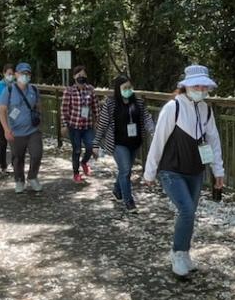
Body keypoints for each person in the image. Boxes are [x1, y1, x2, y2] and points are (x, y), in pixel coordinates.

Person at [143, 65, 225, 277]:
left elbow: (213, 141)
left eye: (203, 85)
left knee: (190, 213)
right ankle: (178, 253)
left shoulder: (206, 109)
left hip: (196, 170)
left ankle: (184, 252)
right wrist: (149, 172)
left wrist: (218, 171)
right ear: (186, 85)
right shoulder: (173, 107)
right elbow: (159, 139)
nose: (200, 89)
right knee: (187, 210)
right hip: (172, 170)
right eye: (196, 85)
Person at [95, 75, 155, 211]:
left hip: (134, 142)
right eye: (125, 88)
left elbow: (146, 118)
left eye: (130, 87)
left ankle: (117, 189)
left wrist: (153, 131)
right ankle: (129, 202)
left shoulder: (138, 102)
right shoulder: (110, 104)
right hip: (118, 143)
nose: (128, 90)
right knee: (126, 169)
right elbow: (103, 124)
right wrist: (95, 143)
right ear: (118, 89)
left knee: (124, 171)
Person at [0, 62, 43, 193]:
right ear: (16, 74)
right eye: (23, 73)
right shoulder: (9, 90)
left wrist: (40, 122)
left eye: (28, 73)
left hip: (33, 130)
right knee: (17, 158)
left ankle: (32, 177)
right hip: (16, 132)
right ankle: (19, 180)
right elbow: (2, 111)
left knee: (37, 154)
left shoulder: (34, 89)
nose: (25, 76)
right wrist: (6, 129)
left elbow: (39, 106)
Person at [61, 65, 100, 184]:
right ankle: (76, 173)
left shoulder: (90, 89)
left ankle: (84, 162)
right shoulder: (69, 91)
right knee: (77, 149)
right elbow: (64, 109)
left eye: (83, 75)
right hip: (74, 126)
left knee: (90, 147)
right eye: (79, 75)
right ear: (74, 77)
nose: (81, 78)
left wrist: (98, 121)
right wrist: (64, 124)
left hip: (87, 126)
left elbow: (96, 107)